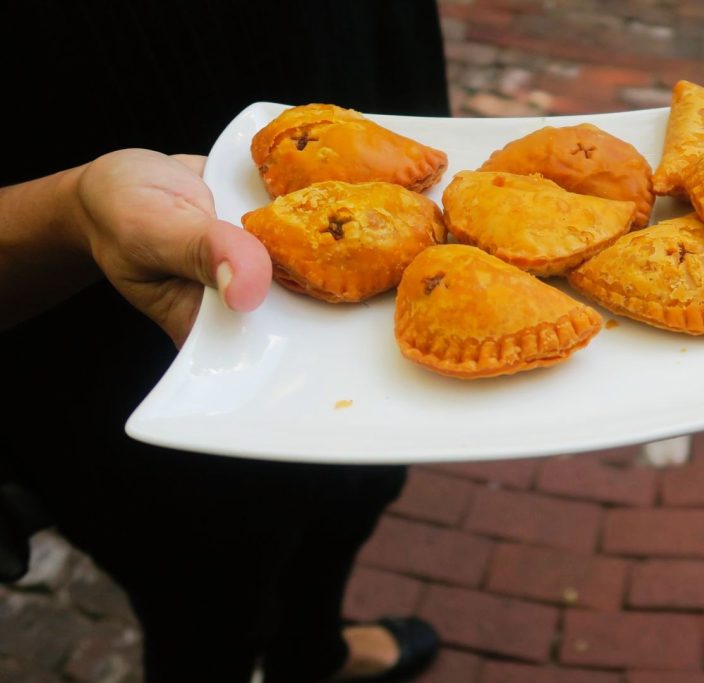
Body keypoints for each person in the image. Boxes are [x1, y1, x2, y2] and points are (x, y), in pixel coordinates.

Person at [1, 1, 450, 680]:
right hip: (113, 342)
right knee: (203, 586)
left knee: (357, 492)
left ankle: (314, 650)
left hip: (362, 131)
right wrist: (73, 211)